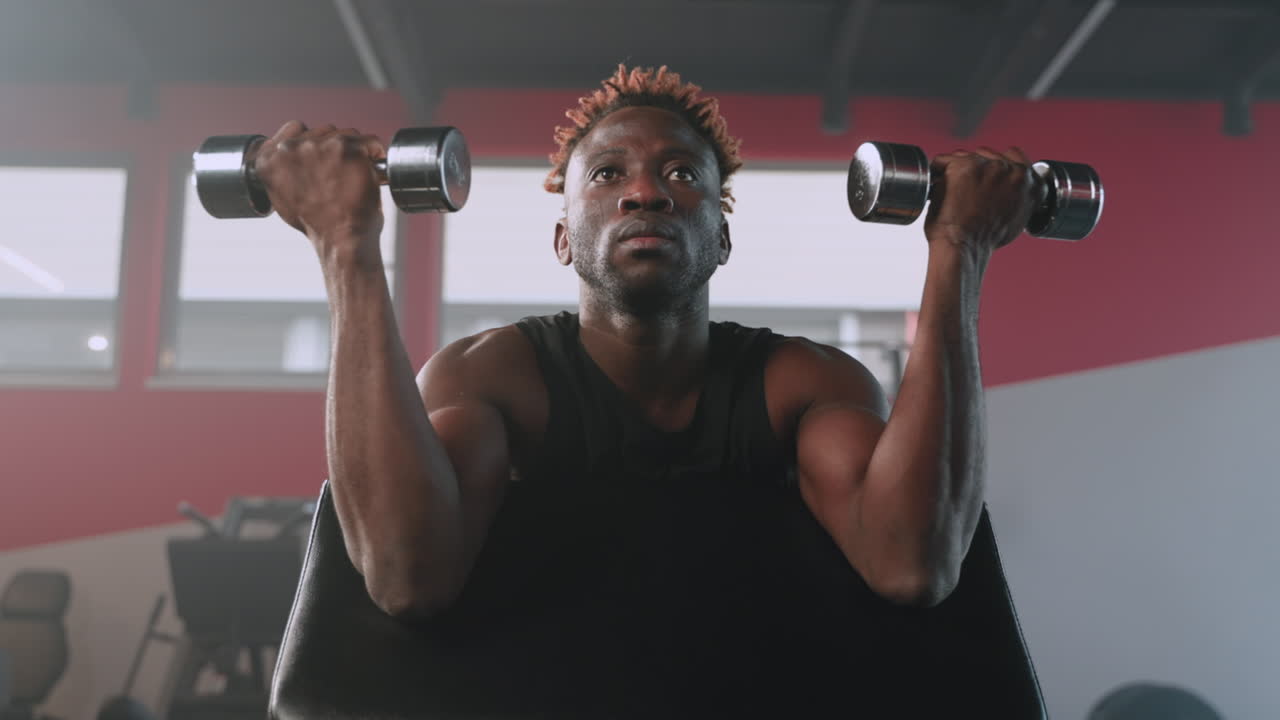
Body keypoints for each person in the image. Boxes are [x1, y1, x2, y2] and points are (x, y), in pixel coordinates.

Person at [254, 65, 1044, 713]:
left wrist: (960, 248)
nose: (646, 192)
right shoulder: (491, 377)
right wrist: (344, 243)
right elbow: (405, 576)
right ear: (564, 238)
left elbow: (916, 564)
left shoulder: (801, 384)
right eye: (607, 174)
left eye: (680, 174)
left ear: (723, 237)